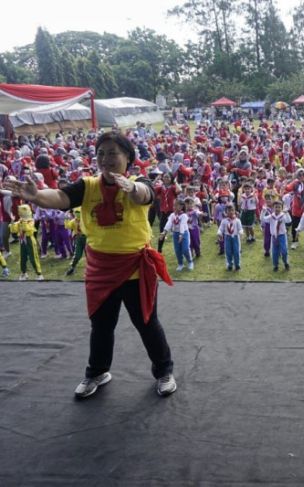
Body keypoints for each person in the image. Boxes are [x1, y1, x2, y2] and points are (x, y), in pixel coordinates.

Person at [5, 131, 176, 399]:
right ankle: (97, 372)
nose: (105, 159)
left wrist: (131, 187)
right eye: (100, 154)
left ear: (128, 157)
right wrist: (36, 196)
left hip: (134, 268)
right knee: (101, 325)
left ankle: (164, 371)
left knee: (146, 322)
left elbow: (144, 195)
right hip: (100, 269)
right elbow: (61, 197)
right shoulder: (87, 186)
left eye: (112, 153)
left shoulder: (138, 181)